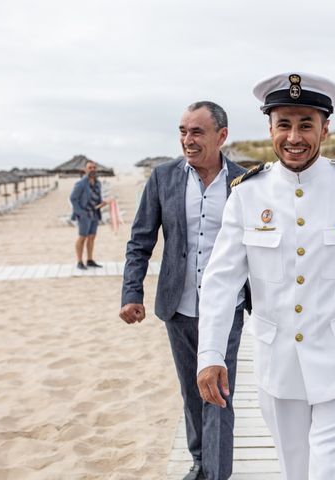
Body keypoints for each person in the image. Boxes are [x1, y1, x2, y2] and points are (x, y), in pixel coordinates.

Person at [196, 72, 335, 480]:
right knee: (296, 472)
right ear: (270, 128)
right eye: (284, 124)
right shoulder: (247, 194)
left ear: (325, 129)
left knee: (328, 472)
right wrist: (210, 355)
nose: (295, 137)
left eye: (306, 124)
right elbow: (221, 282)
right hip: (280, 368)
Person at [119, 101, 250, 480]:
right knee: (193, 392)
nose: (187, 140)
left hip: (228, 307)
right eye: (182, 131)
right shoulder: (162, 178)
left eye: (196, 132)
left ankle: (216, 473)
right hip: (177, 306)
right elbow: (140, 240)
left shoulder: (246, 180)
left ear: (221, 136)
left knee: (219, 394)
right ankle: (199, 460)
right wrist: (132, 293)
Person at [70, 160, 106, 269]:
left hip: (95, 213)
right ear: (85, 170)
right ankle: (79, 262)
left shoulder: (98, 183)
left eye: (94, 167)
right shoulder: (81, 183)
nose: (93, 169)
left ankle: (90, 260)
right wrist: (80, 213)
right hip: (84, 215)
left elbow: (97, 198)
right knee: (82, 237)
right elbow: (73, 198)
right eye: (90, 168)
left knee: (92, 237)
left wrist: (102, 203)